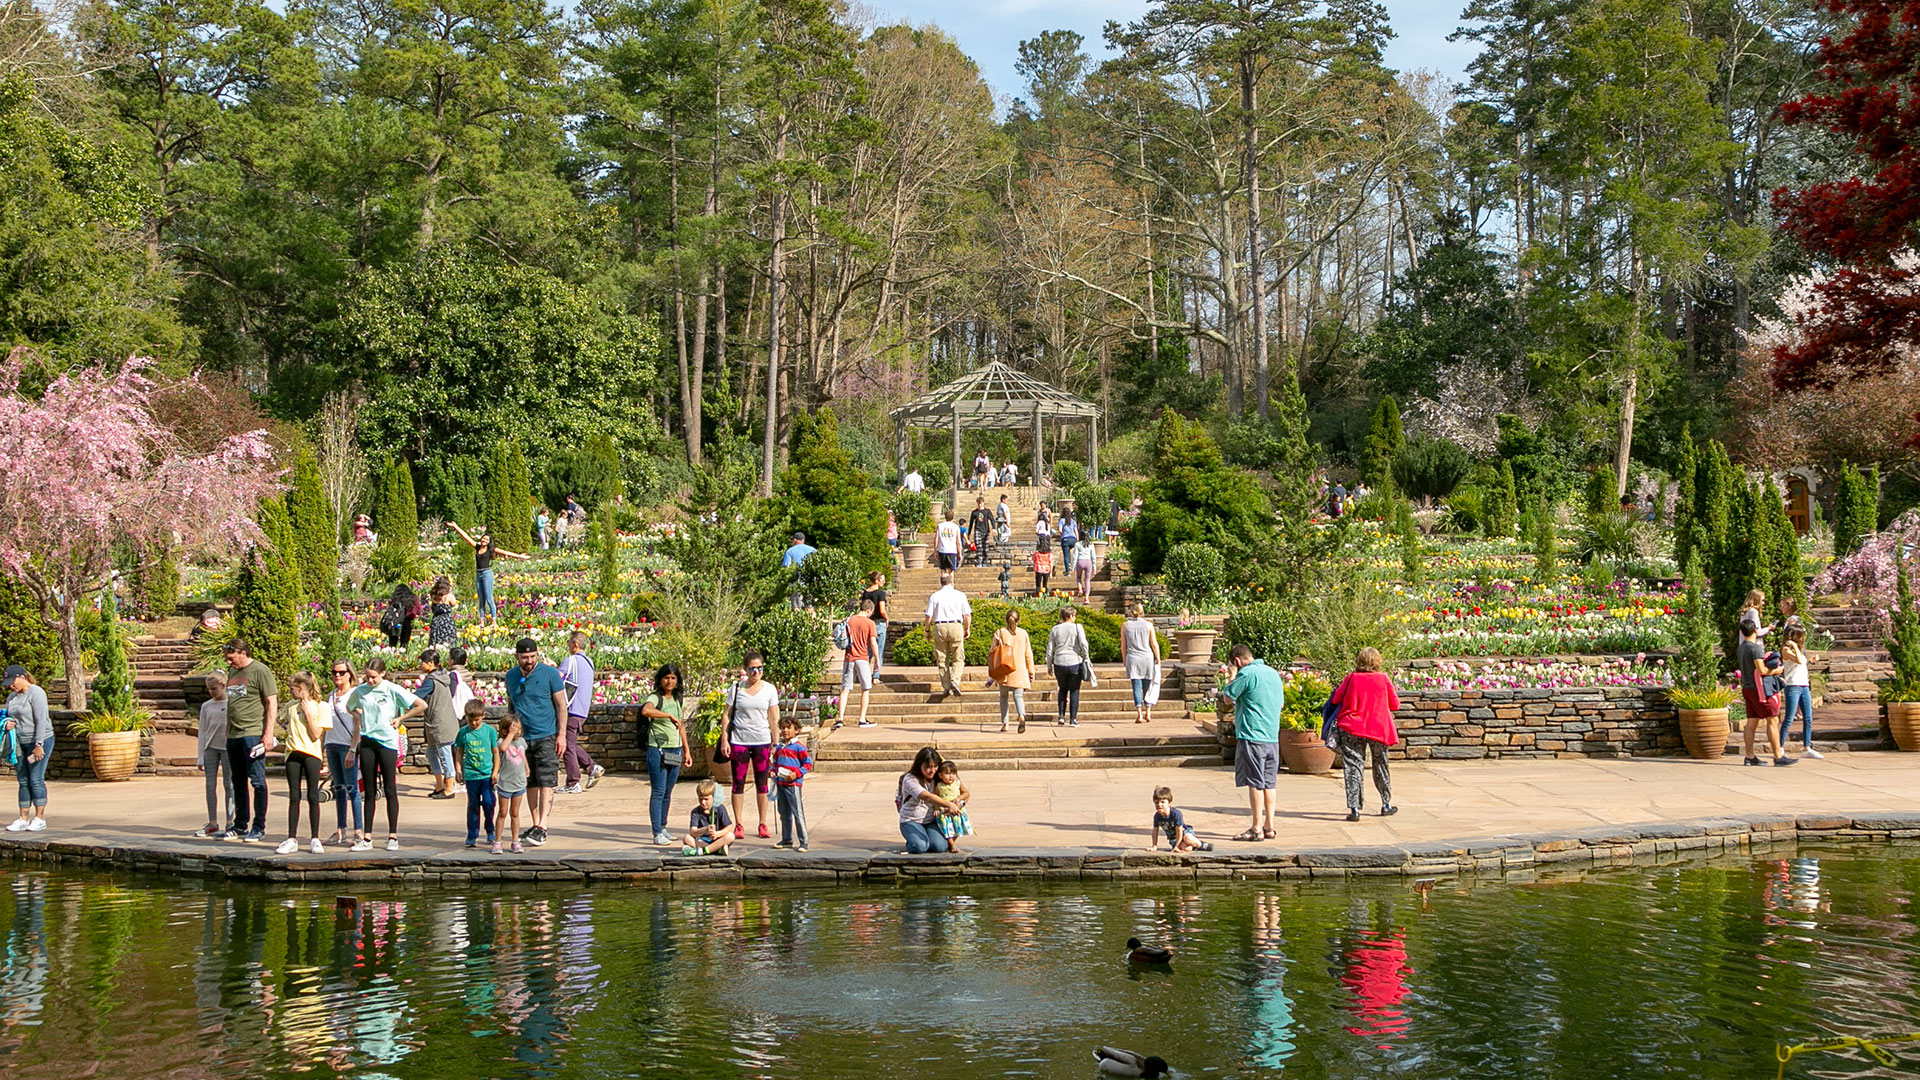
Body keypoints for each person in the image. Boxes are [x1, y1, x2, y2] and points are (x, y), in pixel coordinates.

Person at [346, 657, 426, 851]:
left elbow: (421, 705)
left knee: (390, 787)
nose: (370, 680)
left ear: (382, 673)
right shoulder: (361, 690)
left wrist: (400, 718)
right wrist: (361, 716)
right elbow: (350, 707)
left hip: (387, 743)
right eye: (367, 676)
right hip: (368, 741)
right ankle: (367, 837)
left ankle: (393, 836)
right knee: (369, 790)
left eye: (373, 677)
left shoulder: (392, 689)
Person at [504, 638, 568, 845]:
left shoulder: (550, 674)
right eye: (524, 657)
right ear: (517, 657)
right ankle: (535, 824)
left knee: (546, 782)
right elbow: (511, 707)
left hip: (547, 735)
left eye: (532, 656)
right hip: (522, 739)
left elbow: (561, 706)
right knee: (529, 782)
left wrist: (562, 735)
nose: (529, 661)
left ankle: (543, 825)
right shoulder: (511, 676)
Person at [1217, 643, 1283, 842]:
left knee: (1254, 783)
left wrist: (1231, 676)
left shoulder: (1246, 675)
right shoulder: (1273, 674)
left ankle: (1256, 828)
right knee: (1269, 783)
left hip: (1252, 735)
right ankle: (1269, 826)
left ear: (1237, 661)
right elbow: (1280, 703)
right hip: (1272, 736)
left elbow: (1227, 698)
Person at [1329, 647, 1400, 822]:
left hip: (1352, 726)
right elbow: (1395, 704)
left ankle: (1354, 809)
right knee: (1381, 764)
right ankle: (1386, 804)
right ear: (1377, 661)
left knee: (1353, 767)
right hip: (1378, 727)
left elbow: (1336, 699)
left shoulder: (1351, 678)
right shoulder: (1383, 679)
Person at [221, 639, 278, 843]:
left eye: (232, 658)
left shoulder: (260, 671)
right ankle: (240, 825)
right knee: (237, 781)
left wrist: (268, 733)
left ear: (243, 653)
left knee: (257, 781)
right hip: (233, 735)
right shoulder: (232, 673)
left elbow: (271, 702)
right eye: (227, 659)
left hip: (252, 733)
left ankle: (259, 826)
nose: (229, 663)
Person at [722, 651, 779, 839]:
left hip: (761, 741)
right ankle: (739, 823)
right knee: (737, 783)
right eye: (752, 668)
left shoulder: (769, 689)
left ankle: (762, 823)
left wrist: (776, 743)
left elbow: (773, 718)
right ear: (746, 669)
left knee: (762, 783)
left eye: (760, 668)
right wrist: (724, 738)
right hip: (740, 740)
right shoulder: (736, 688)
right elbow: (727, 715)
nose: (756, 672)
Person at [276, 671, 331, 855]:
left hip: (311, 754)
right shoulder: (291, 706)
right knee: (294, 795)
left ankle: (315, 838)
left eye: (292, 689)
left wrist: (307, 715)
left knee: (313, 795)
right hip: (293, 753)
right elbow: (280, 720)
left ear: (301, 689)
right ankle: (292, 838)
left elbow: (316, 734)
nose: (290, 692)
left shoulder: (321, 706)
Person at [640, 664, 690, 845]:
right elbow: (646, 710)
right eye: (666, 677)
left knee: (668, 792)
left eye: (673, 678)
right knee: (658, 791)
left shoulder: (678, 699)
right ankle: (656, 832)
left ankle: (663, 826)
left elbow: (681, 725)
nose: (670, 681)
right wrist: (667, 716)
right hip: (658, 750)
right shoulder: (655, 697)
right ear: (660, 680)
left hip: (675, 749)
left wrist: (686, 750)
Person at [1738, 613, 1795, 767]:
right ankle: (1778, 756)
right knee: (1772, 719)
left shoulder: (1742, 648)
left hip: (1747, 687)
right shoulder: (1754, 648)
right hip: (1759, 689)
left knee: (1751, 722)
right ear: (1755, 630)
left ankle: (1749, 756)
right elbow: (1762, 670)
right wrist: (1776, 671)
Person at [449, 522, 531, 623]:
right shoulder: (477, 547)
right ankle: (482, 622)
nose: (484, 540)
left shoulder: (491, 550)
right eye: (483, 538)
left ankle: (494, 621)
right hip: (478, 574)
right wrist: (455, 526)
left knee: (489, 598)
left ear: (489, 542)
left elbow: (505, 552)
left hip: (487, 574)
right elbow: (466, 537)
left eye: (486, 539)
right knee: (481, 600)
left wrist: (519, 556)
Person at [4, 665, 51, 833]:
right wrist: (7, 724)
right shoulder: (12, 697)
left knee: (36, 779)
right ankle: (23, 818)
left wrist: (38, 745)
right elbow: (8, 715)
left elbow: (41, 720)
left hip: (39, 741)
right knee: (23, 780)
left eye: (12, 681)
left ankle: (40, 818)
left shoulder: (36, 693)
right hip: (19, 742)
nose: (10, 686)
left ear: (22, 677)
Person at [557, 631, 604, 794]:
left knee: (567, 747)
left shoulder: (571, 660)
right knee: (570, 743)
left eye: (569, 642)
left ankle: (572, 782)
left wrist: (550, 668)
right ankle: (591, 767)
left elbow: (557, 680)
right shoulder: (589, 662)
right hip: (582, 710)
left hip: (570, 709)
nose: (568, 645)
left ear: (575, 645)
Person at [323, 661, 361, 845]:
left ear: (349, 674)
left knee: (352, 788)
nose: (337, 675)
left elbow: (358, 724)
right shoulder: (330, 696)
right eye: (334, 672)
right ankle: (340, 829)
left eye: (341, 672)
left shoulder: (354, 695)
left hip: (347, 745)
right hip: (332, 744)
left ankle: (358, 831)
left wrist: (353, 749)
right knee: (338, 788)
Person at [417, 649, 461, 800]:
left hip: (440, 723)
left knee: (444, 754)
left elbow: (417, 697)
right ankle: (439, 785)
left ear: (430, 663)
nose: (420, 664)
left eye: (422, 661)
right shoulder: (443, 676)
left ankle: (449, 787)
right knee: (431, 752)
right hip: (444, 721)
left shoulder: (431, 680)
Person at [455, 699, 500, 849]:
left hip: (487, 775)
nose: (473, 723)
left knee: (489, 802)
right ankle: (472, 834)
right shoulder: (463, 732)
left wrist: (495, 771)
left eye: (476, 720)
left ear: (483, 716)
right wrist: (458, 769)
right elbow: (459, 751)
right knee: (473, 805)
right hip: (471, 775)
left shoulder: (490, 731)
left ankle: (490, 828)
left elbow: (495, 753)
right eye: (470, 720)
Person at [896, 747, 958, 853]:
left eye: (935, 766)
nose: (932, 770)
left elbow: (961, 789)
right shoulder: (910, 779)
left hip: (931, 821)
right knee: (919, 847)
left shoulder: (938, 777)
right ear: (919, 765)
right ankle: (914, 841)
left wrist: (959, 801)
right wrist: (948, 805)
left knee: (940, 847)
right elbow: (927, 796)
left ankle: (926, 838)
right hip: (911, 820)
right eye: (928, 767)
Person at [923, 569, 973, 699]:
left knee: (942, 658)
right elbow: (967, 615)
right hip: (956, 625)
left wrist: (927, 630)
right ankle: (955, 681)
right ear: (952, 581)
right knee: (958, 657)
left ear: (941, 582)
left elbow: (928, 616)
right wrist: (967, 628)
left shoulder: (935, 596)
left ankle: (946, 686)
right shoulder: (960, 595)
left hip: (939, 626)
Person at [195, 674, 233, 837]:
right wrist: (200, 756)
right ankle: (212, 822)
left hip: (227, 748)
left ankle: (231, 822)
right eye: (209, 689)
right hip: (210, 747)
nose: (211, 692)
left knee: (229, 784)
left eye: (214, 689)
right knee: (210, 785)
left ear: (223, 685)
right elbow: (202, 731)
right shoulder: (206, 706)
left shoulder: (231, 703)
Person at [1779, 627, 1822, 759]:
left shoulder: (1799, 650)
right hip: (1793, 686)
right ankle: (1779, 747)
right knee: (1789, 718)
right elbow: (1797, 660)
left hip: (1804, 685)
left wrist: (1810, 661)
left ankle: (1806, 747)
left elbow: (1801, 663)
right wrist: (1793, 646)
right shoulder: (1786, 650)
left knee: (1808, 718)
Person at [772, 716, 814, 851]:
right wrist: (772, 771)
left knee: (797, 813)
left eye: (788, 728)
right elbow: (775, 763)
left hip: (793, 785)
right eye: (783, 728)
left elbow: (808, 764)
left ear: (796, 730)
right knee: (784, 813)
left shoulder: (799, 748)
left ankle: (803, 841)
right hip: (780, 783)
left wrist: (796, 774)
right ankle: (786, 839)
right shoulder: (779, 747)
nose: (785, 731)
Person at [989, 608, 1034, 734]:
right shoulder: (1023, 633)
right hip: (1019, 669)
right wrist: (1031, 671)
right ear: (1018, 620)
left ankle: (1005, 723)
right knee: (1018, 696)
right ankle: (1021, 715)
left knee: (1003, 697)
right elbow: (1028, 654)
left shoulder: (1000, 632)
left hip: (1004, 669)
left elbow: (992, 650)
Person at [1046, 606, 1091, 727]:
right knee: (1074, 690)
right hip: (1074, 661)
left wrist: (1049, 665)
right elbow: (1083, 643)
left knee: (1062, 689)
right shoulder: (1077, 627)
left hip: (1059, 662)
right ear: (1071, 616)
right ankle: (1073, 719)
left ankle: (1061, 716)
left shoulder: (1055, 629)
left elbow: (1050, 649)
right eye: (1074, 616)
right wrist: (1086, 657)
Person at [1123, 603, 1163, 724]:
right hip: (1147, 657)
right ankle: (1148, 712)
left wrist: (1124, 659)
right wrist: (1158, 659)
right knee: (1148, 686)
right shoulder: (1148, 625)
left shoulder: (1125, 625)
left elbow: (1123, 646)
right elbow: (1154, 644)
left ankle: (1139, 714)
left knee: (1136, 686)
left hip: (1133, 658)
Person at [842, 598, 880, 727]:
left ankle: (840, 718)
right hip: (862, 658)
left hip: (849, 657)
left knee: (845, 689)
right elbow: (873, 643)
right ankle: (862, 719)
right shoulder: (870, 623)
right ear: (868, 610)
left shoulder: (848, 620)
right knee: (865, 689)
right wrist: (877, 659)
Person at [681, 779, 738, 856]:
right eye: (700, 799)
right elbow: (692, 832)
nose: (703, 802)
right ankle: (716, 849)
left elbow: (728, 827)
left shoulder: (720, 808)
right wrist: (705, 829)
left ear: (713, 797)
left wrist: (718, 834)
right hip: (702, 840)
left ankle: (703, 851)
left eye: (706, 799)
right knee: (687, 838)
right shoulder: (695, 812)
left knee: (730, 836)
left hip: (717, 840)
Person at [1146, 786, 1212, 852]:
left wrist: (1177, 846)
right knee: (1186, 849)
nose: (1159, 805)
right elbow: (1155, 831)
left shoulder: (1176, 814)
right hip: (1173, 838)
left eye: (1163, 802)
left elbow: (1179, 831)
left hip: (1184, 832)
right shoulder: (1157, 816)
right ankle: (1193, 845)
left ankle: (1201, 845)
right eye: (1157, 802)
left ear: (1169, 803)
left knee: (1188, 839)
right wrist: (1154, 846)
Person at [934, 759, 972, 851]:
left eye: (953, 773)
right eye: (947, 773)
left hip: (956, 810)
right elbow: (935, 798)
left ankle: (952, 842)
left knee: (957, 828)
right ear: (940, 775)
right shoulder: (939, 786)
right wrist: (936, 808)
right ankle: (952, 845)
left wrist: (959, 799)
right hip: (944, 812)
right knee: (946, 829)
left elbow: (966, 793)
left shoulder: (957, 783)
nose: (951, 776)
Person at [860, 571, 891, 674]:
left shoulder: (865, 593)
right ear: (877, 581)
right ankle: (876, 675)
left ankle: (864, 674)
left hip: (867, 622)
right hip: (878, 623)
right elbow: (882, 610)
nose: (884, 582)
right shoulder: (880, 593)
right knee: (879, 650)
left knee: (867, 650)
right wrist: (887, 618)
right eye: (882, 580)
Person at [379, 583, 418, 648]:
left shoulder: (395, 598)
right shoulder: (413, 597)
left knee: (393, 643)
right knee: (404, 644)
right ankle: (402, 654)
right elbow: (416, 611)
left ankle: (392, 652)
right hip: (406, 622)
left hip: (395, 623)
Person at [427, 579, 457, 646]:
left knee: (435, 641)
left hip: (436, 620)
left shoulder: (433, 595)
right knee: (448, 642)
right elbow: (454, 604)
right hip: (446, 621)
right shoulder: (448, 596)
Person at [1071, 534, 1098, 603]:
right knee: (1087, 580)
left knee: (1078, 577)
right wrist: (1094, 568)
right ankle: (1086, 597)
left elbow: (1075, 556)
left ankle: (1080, 589)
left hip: (1080, 561)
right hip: (1088, 562)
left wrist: (1073, 567)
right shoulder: (1091, 545)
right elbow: (1093, 556)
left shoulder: (1077, 544)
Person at [969, 495, 994, 566]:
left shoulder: (987, 511)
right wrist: (969, 533)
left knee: (985, 547)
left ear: (983, 503)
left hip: (985, 530)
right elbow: (971, 523)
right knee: (979, 546)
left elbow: (992, 519)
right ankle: (979, 560)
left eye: (981, 503)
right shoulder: (974, 512)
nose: (980, 505)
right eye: (979, 503)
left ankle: (984, 561)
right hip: (978, 530)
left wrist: (993, 527)